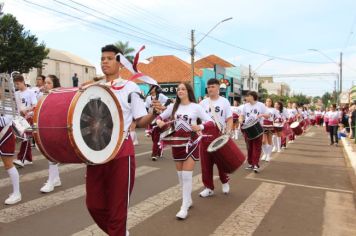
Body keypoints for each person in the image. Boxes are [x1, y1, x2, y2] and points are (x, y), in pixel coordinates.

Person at [85, 45, 162, 236]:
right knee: (93, 204)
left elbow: (140, 120)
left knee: (117, 208)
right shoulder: (95, 88)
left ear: (120, 63)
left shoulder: (130, 87)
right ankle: (118, 232)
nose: (104, 61)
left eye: (109, 58)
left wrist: (153, 113)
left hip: (121, 151)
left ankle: (117, 231)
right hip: (96, 151)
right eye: (102, 58)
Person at [156, 82, 214, 220]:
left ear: (188, 91)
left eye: (183, 89)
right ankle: (188, 199)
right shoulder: (173, 107)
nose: (180, 91)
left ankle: (184, 207)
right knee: (181, 177)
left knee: (187, 176)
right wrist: (159, 121)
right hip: (177, 144)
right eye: (178, 89)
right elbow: (159, 117)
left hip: (192, 142)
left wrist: (199, 126)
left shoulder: (196, 107)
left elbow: (210, 121)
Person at [199, 78, 232, 197]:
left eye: (212, 86)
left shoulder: (224, 102)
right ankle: (208, 187)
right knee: (205, 163)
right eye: (208, 87)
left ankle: (225, 181)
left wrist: (228, 133)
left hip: (219, 134)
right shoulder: (202, 103)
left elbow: (229, 118)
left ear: (218, 88)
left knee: (221, 161)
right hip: (205, 135)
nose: (210, 89)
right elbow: (197, 119)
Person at [40, 75, 62, 193]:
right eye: (45, 83)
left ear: (55, 84)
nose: (46, 85)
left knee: (51, 155)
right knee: (50, 155)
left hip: (56, 128)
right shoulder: (45, 96)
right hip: (47, 127)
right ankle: (56, 179)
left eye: (49, 83)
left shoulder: (58, 95)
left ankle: (51, 181)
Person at [239, 91, 269, 173]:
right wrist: (241, 120)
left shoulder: (261, 105)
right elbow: (242, 115)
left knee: (257, 146)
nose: (246, 98)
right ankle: (251, 163)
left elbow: (268, 115)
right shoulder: (245, 106)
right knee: (249, 146)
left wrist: (261, 115)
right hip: (247, 127)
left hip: (257, 127)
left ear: (252, 96)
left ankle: (256, 164)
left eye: (247, 96)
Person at [0, 90, 21, 204]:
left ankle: (17, 193)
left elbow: (5, 121)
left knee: (8, 164)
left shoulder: (8, 103)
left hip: (5, 136)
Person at [13, 74, 37, 167]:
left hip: (28, 117)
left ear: (23, 82)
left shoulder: (30, 92)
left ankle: (21, 159)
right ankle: (29, 159)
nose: (17, 86)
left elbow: (35, 105)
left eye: (18, 84)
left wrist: (27, 110)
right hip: (20, 118)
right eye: (16, 84)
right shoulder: (16, 93)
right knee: (24, 138)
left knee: (25, 138)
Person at [145, 85, 171, 161]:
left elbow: (169, 100)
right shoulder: (148, 98)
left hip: (159, 118)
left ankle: (154, 154)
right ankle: (159, 151)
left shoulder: (161, 96)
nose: (150, 88)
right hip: (151, 118)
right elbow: (146, 107)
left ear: (155, 88)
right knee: (154, 138)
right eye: (149, 86)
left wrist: (163, 107)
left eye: (152, 87)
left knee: (156, 137)